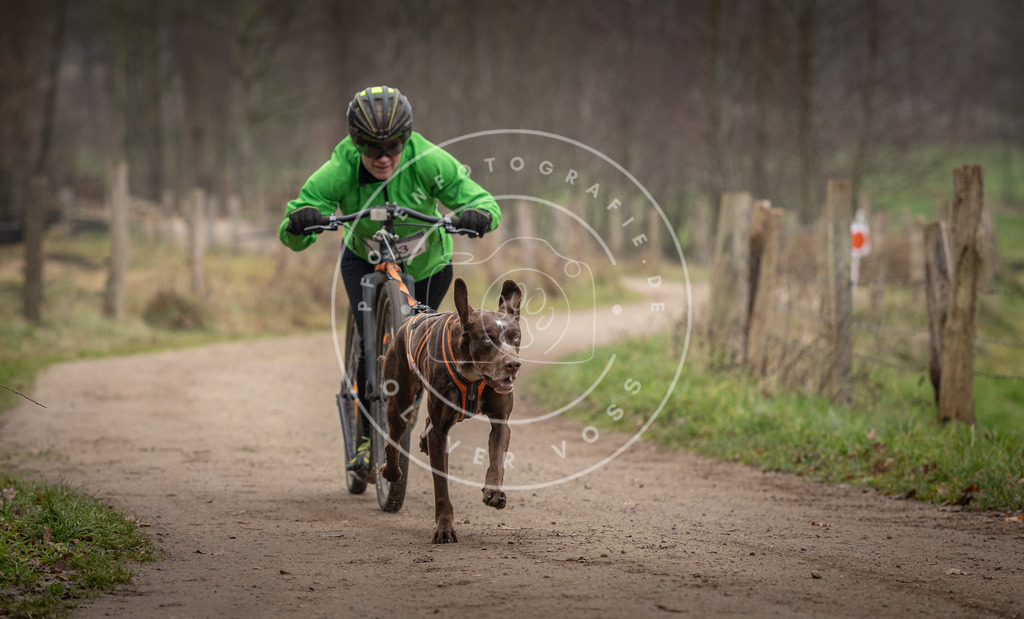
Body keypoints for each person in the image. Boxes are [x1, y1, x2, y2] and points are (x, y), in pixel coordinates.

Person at [279, 85, 501, 476]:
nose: (383, 157)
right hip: (363, 258)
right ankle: (366, 439)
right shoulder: (340, 169)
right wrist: (302, 221)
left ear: (407, 138)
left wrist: (476, 214)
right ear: (354, 141)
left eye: (394, 146)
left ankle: (415, 413)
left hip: (428, 263)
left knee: (426, 352)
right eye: (370, 147)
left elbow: (484, 202)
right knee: (372, 350)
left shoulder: (431, 160)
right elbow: (292, 229)